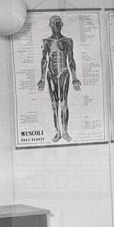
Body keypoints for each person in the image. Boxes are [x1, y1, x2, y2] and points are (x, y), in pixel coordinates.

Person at [38, 15, 81, 143]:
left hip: (63, 73)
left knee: (63, 102)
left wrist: (75, 79)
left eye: (58, 23)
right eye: (53, 23)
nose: (56, 26)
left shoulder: (68, 41)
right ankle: (57, 132)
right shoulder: (46, 41)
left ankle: (65, 131)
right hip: (51, 74)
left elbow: (71, 60)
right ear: (50, 25)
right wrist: (42, 79)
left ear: (61, 25)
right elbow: (44, 60)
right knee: (54, 104)